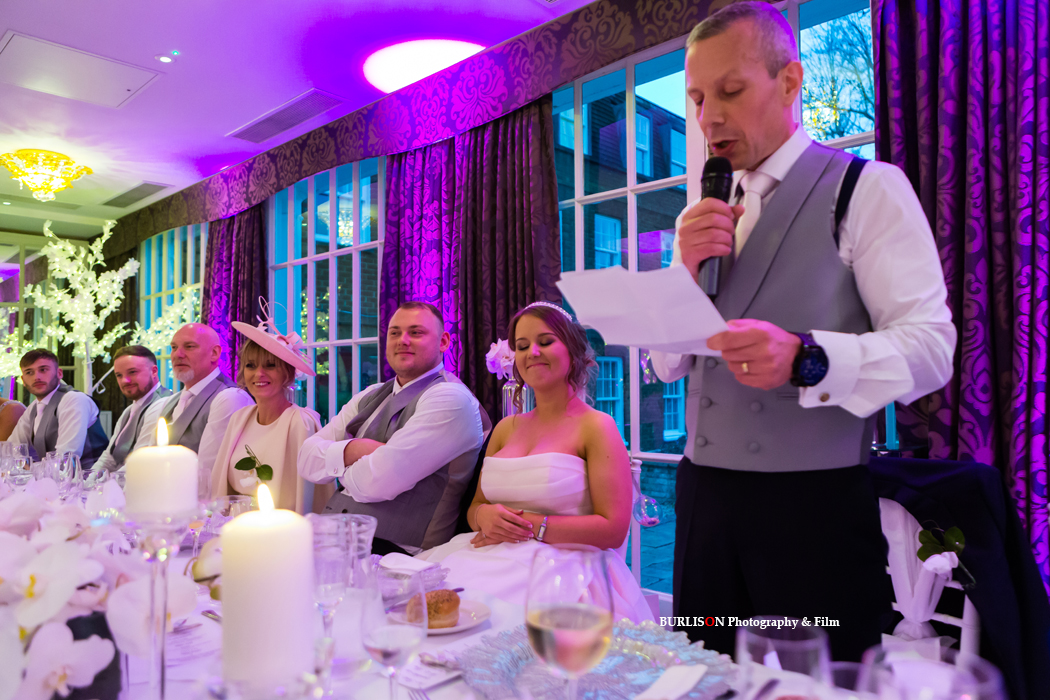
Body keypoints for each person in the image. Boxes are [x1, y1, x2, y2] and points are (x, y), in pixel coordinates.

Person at [650, 2, 956, 660]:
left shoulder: (867, 189)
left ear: (789, 82)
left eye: (731, 91)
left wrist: (807, 359)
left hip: (811, 511)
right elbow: (667, 366)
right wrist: (683, 273)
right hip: (703, 504)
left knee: (816, 682)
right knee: (706, 672)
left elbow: (933, 350)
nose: (708, 118)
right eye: (697, 99)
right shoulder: (702, 213)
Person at [417, 302, 654, 624]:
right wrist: (483, 516)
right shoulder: (505, 428)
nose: (532, 353)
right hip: (486, 557)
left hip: (563, 569)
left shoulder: (597, 426)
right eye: (522, 346)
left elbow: (613, 529)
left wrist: (528, 525)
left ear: (572, 350)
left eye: (545, 341)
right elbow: (476, 506)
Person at [298, 301, 488, 555]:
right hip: (333, 537)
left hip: (398, 554)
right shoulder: (371, 394)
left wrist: (335, 465)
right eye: (395, 333)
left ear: (443, 342)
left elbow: (375, 483)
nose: (402, 340)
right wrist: (355, 450)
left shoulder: (451, 399)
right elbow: (305, 460)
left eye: (416, 332)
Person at [211, 312, 329, 513]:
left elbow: (307, 498)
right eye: (250, 365)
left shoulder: (301, 423)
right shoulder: (239, 418)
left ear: (288, 374)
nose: (259, 373)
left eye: (270, 365)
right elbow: (222, 489)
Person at [149, 324, 254, 493]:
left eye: (189, 347)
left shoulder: (229, 397)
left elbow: (208, 473)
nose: (178, 354)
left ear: (214, 353)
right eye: (174, 348)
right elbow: (150, 457)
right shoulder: (172, 401)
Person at [6, 348, 109, 468]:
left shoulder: (74, 399)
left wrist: (28, 467)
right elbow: (10, 450)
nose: (36, 377)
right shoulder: (33, 408)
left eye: (43, 370)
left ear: (59, 373)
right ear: (23, 380)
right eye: (29, 372)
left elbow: (66, 459)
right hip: (50, 478)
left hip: (90, 477)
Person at [94, 345, 173, 472]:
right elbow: (109, 457)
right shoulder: (129, 410)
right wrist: (89, 480)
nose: (124, 380)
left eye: (132, 372)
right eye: (119, 375)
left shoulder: (164, 403)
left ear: (153, 371)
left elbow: (139, 461)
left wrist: (107, 482)